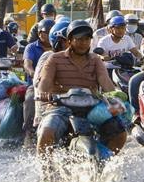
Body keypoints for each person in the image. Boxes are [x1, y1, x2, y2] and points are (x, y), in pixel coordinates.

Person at [36, 20, 128, 157]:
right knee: (46, 132)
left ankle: (104, 163)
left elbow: (105, 81)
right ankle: (46, 173)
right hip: (60, 107)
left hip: (91, 106)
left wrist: (114, 95)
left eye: (87, 39)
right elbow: (45, 81)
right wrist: (44, 93)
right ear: (69, 41)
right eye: (79, 39)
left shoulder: (96, 59)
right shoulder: (54, 59)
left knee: (120, 133)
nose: (83, 43)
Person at [22, 19, 70, 146]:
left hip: (71, 98)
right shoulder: (46, 55)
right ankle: (29, 132)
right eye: (67, 40)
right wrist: (36, 76)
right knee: (30, 98)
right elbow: (29, 66)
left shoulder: (85, 57)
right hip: (47, 96)